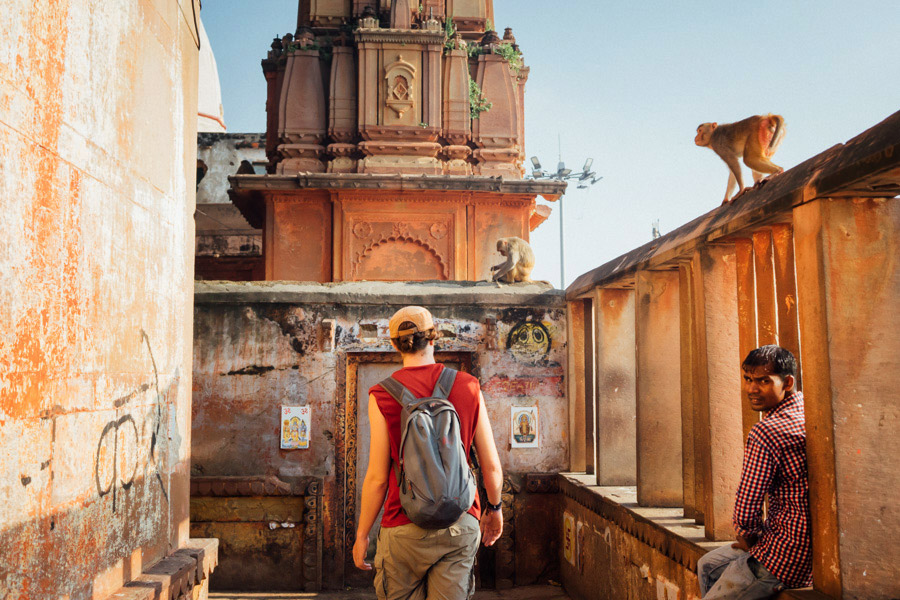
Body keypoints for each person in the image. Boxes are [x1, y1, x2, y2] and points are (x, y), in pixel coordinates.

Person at [353, 306, 504, 600]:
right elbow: (492, 467)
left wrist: (362, 535)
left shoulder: (382, 394)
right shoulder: (468, 386)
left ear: (395, 344)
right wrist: (495, 509)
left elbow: (377, 479)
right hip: (459, 522)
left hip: (403, 525)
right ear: (433, 338)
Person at [697, 345, 812, 599]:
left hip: (784, 556)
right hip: (808, 549)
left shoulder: (767, 432)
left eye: (763, 381)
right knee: (708, 565)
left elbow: (746, 510)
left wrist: (749, 536)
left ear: (787, 382)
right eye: (748, 379)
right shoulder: (807, 411)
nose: (751, 389)